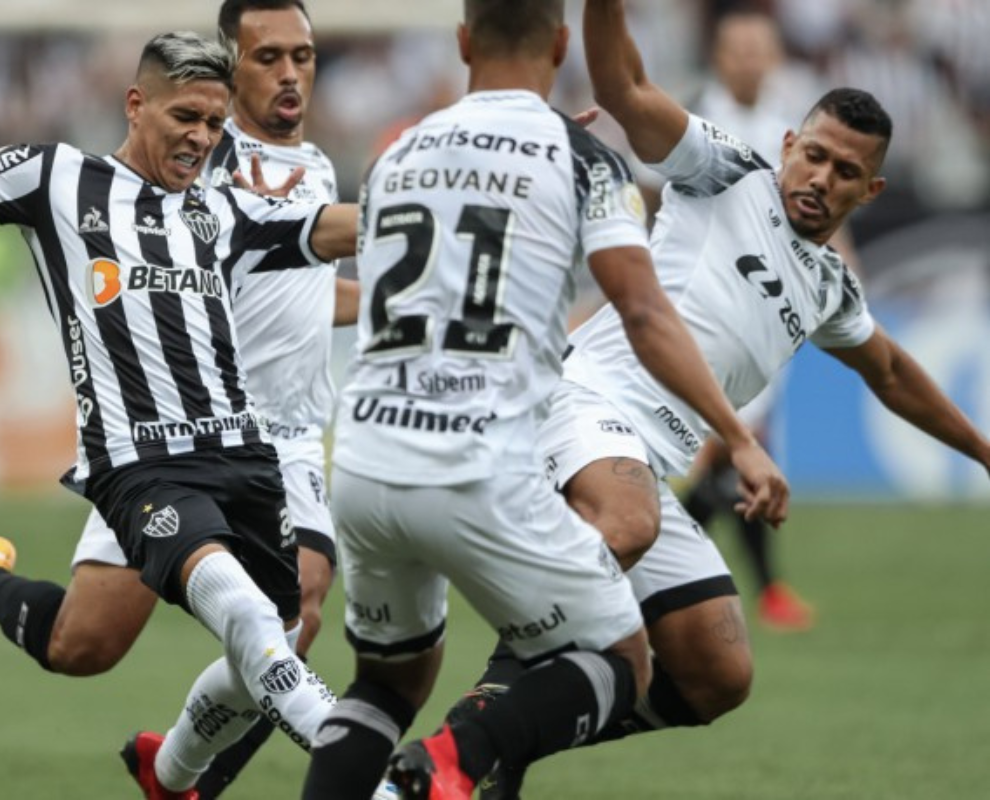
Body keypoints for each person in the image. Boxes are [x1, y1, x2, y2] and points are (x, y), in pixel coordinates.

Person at [0, 29, 360, 799]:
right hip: (145, 469)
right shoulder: (57, 176)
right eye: (185, 117)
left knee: (85, 648)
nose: (200, 138)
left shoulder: (220, 212)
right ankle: (378, 784)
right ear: (136, 104)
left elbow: (323, 231)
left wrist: (433, 209)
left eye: (215, 124)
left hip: (247, 461)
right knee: (253, 627)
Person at [455, 2, 990, 796]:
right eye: (813, 156)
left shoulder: (832, 286)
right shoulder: (723, 169)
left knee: (717, 670)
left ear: (870, 190)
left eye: (845, 173)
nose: (820, 180)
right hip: (583, 403)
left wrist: (983, 451)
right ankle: (464, 750)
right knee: (627, 523)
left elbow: (892, 373)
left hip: (649, 456)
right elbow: (626, 86)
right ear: (788, 145)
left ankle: (508, 741)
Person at [298, 2, 789, 798]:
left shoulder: (398, 152)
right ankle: (455, 768)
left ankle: (443, 758)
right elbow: (641, 310)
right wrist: (738, 433)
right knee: (622, 659)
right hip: (476, 464)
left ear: (462, 42)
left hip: (363, 459)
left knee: (385, 686)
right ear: (562, 45)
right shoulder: (585, 158)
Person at [103, 2, 359, 797]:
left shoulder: (316, 164)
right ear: (230, 63)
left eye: (304, 57)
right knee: (85, 642)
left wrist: (397, 306)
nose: (290, 75)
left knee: (299, 614)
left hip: (285, 433)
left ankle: (185, 777)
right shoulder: (203, 154)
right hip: (186, 430)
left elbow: (308, 290)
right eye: (269, 57)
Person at [683, 9, 820, 631]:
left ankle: (647, 570)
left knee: (726, 457)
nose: (748, 61)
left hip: (764, 311)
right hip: (701, 307)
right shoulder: (692, 116)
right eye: (737, 50)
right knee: (726, 450)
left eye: (758, 50)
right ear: (719, 56)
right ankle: (763, 589)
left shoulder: (786, 130)